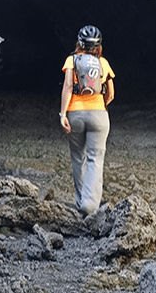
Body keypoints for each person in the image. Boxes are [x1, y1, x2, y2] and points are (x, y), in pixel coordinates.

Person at [59, 25, 115, 216]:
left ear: (79, 44)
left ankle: (81, 202)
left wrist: (63, 114)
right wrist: (102, 106)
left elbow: (67, 86)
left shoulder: (71, 60)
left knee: (78, 157)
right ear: (98, 46)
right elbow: (111, 93)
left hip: (75, 114)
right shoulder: (103, 63)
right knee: (95, 159)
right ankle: (91, 206)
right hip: (99, 114)